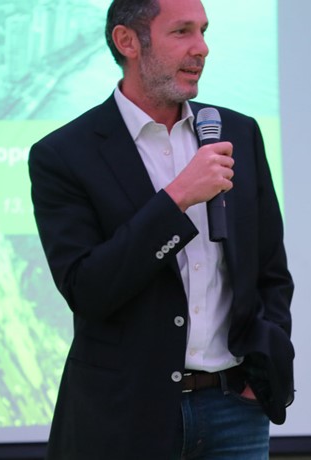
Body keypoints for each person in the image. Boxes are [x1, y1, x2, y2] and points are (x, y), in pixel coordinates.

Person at [28, 0, 294, 458]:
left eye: (204, 31)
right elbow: (87, 289)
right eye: (182, 32)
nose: (201, 48)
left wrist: (263, 361)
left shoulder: (238, 132)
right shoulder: (64, 154)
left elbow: (270, 270)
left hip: (235, 408)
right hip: (125, 416)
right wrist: (177, 199)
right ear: (128, 41)